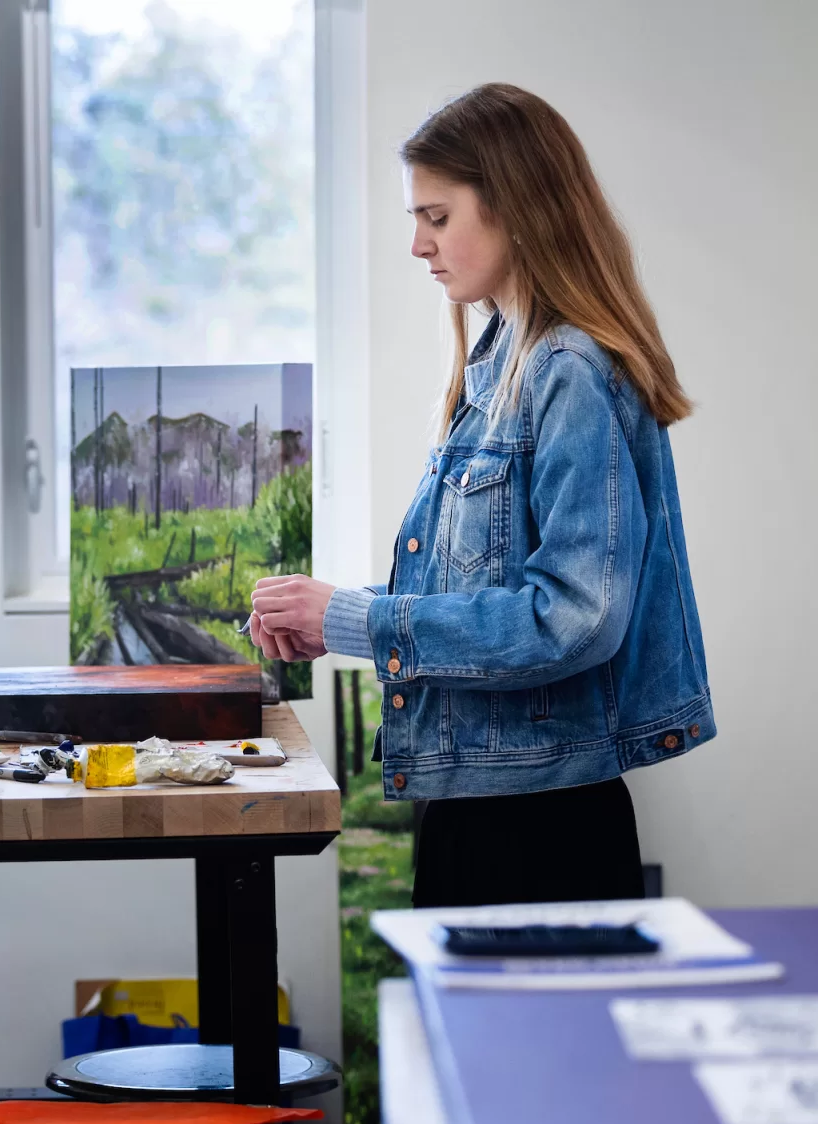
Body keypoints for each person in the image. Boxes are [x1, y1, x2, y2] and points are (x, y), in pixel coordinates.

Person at [247, 83, 715, 909]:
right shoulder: (496, 361)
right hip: (481, 806)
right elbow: (477, 592)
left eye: (436, 215)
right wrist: (331, 618)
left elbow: (574, 616)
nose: (418, 245)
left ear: (514, 207)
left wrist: (352, 618)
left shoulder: (567, 372)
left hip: (540, 830)